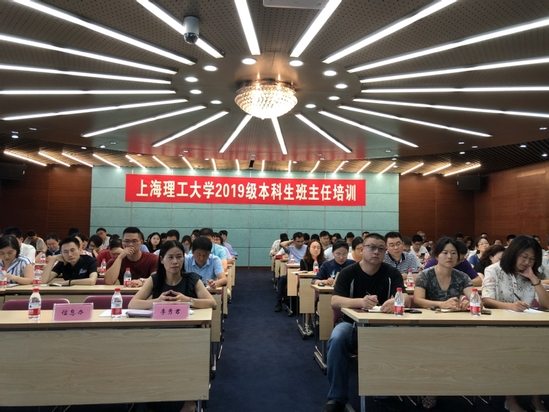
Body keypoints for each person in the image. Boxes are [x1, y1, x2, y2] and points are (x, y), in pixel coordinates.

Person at [322, 233, 409, 412]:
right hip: (350, 324)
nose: (376, 252)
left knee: (400, 339)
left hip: (382, 325)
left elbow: (406, 297)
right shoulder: (348, 273)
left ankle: (384, 392)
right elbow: (334, 301)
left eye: (381, 249)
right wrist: (360, 302)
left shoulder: (391, 273)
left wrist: (396, 300)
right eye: (372, 247)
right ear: (361, 250)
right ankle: (337, 397)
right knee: (337, 339)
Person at [128, 240, 216, 412]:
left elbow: (211, 302)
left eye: (179, 257)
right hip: (157, 334)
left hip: (188, 335)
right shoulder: (155, 279)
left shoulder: (191, 279)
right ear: (162, 260)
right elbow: (133, 304)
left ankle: (190, 399)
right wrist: (157, 301)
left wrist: (188, 300)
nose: (175, 261)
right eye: (170, 257)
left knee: (192, 352)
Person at [482, 235, 549, 412]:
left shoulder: (531, 273)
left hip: (528, 325)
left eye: (532, 259)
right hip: (500, 326)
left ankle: (536, 398)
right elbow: (486, 300)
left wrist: (534, 279)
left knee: (541, 351)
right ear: (514, 253)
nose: (527, 262)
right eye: (524, 256)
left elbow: (546, 304)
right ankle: (510, 399)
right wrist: (510, 306)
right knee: (511, 352)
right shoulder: (493, 270)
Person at [413, 237, 474, 410]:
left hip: (456, 326)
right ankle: (432, 388)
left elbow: (476, 299)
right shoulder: (425, 275)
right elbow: (418, 300)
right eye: (445, 252)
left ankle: (448, 383)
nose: (449, 256)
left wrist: (469, 303)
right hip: (428, 326)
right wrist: (442, 304)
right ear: (436, 255)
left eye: (453, 253)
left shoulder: (462, 277)